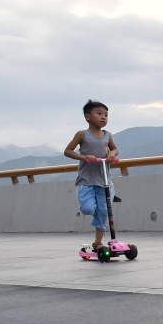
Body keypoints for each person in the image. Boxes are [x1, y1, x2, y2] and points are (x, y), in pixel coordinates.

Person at [64, 100, 118, 252]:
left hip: (105, 181)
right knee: (88, 208)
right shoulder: (82, 135)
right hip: (87, 181)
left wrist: (112, 154)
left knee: (104, 211)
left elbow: (115, 149)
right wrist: (85, 157)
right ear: (87, 117)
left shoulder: (107, 135)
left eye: (106, 115)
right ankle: (99, 221)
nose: (103, 117)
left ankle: (98, 243)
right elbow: (68, 151)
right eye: (99, 114)